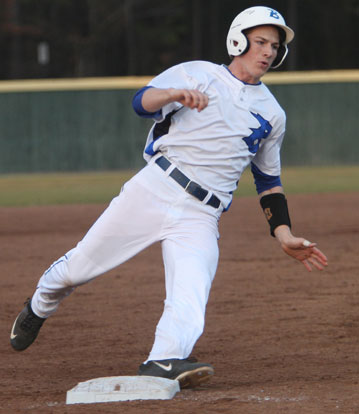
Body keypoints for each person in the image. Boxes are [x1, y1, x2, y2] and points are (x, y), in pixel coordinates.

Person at [10, 6, 328, 389]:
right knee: (79, 268)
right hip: (155, 189)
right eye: (260, 42)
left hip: (202, 214)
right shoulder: (197, 73)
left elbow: (268, 180)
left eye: (275, 47)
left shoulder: (272, 114)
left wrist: (283, 232)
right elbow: (140, 103)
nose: (268, 52)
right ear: (238, 40)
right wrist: (173, 93)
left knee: (192, 291)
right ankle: (40, 303)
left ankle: (163, 358)